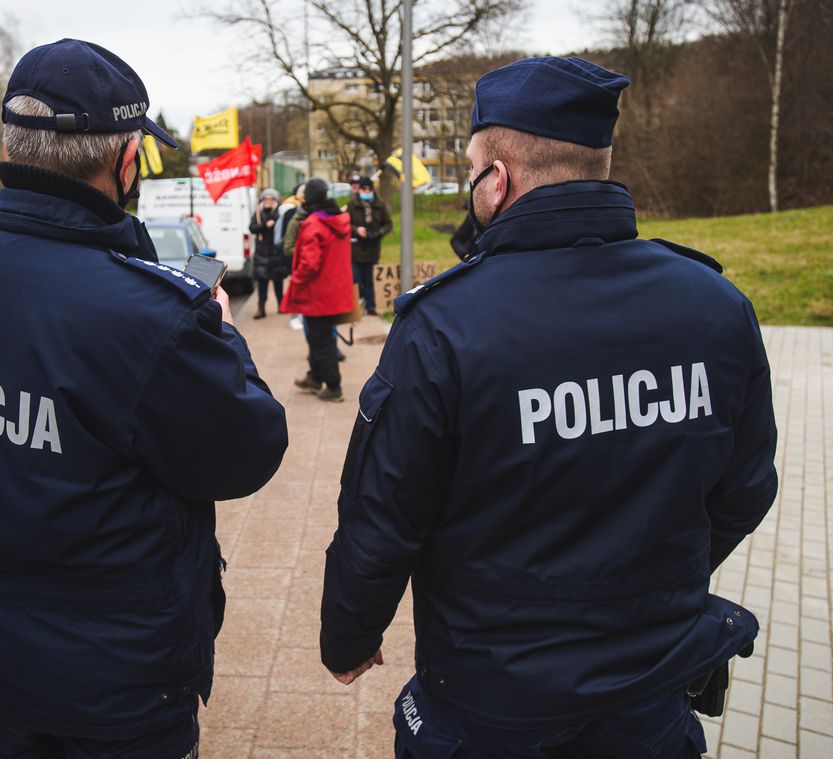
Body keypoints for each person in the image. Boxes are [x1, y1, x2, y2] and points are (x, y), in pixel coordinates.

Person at [320, 56, 778, 758]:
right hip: (650, 689)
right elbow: (746, 489)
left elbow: (384, 518)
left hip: (491, 700)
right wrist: (645, 588)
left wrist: (349, 635)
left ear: (496, 179)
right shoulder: (716, 306)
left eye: (474, 167)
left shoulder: (446, 326)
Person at [0, 39, 288, 759]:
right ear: (126, 159)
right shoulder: (150, 314)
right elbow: (250, 451)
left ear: (14, 145)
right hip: (121, 678)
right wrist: (221, 334)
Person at [280, 177, 354, 402]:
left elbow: (310, 263)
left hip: (317, 293)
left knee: (321, 340)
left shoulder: (314, 224)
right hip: (334, 290)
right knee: (318, 337)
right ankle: (315, 376)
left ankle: (333, 387)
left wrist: (296, 281)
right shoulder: (338, 218)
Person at [346, 176, 392, 315]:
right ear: (359, 190)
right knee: (355, 279)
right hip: (356, 250)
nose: (366, 191)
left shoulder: (380, 205)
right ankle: (357, 305)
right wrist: (356, 230)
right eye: (364, 188)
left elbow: (388, 224)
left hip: (372, 249)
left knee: (370, 279)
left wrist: (378, 233)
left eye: (369, 189)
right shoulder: (352, 205)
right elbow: (345, 223)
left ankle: (371, 306)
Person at [249, 188, 285, 319]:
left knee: (278, 282)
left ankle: (281, 305)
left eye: (270, 199)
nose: (268, 201)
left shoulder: (279, 213)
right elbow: (252, 228)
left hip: (276, 253)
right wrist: (265, 225)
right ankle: (261, 308)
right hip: (262, 254)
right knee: (262, 283)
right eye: (266, 199)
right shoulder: (258, 213)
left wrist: (274, 222)